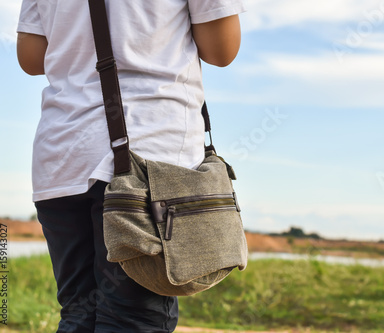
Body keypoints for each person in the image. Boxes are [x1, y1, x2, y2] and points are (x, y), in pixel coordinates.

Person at [16, 0, 245, 332]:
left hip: (62, 157)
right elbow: (221, 51)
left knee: (79, 314)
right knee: (135, 318)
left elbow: (32, 57)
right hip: (148, 155)